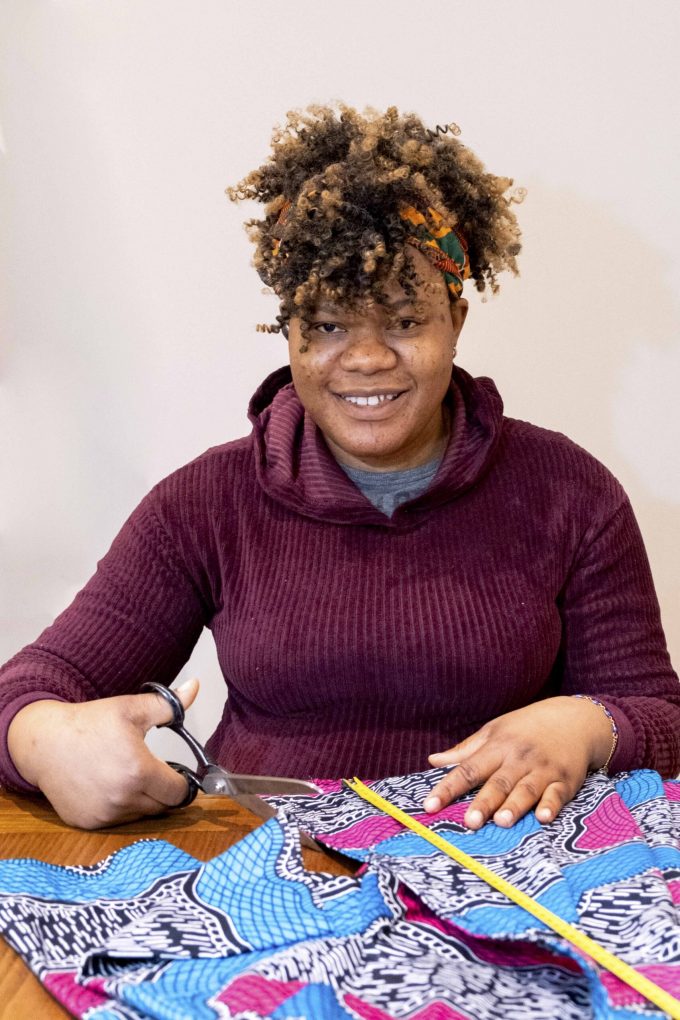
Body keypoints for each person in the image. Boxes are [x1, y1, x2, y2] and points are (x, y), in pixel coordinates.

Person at [1, 104, 678, 834]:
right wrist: (46, 741)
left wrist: (588, 724)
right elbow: (32, 689)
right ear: (288, 330)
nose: (367, 358)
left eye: (405, 321)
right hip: (264, 859)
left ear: (456, 321)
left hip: (503, 865)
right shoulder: (204, 504)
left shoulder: (570, 493)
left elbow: (660, 718)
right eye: (328, 324)